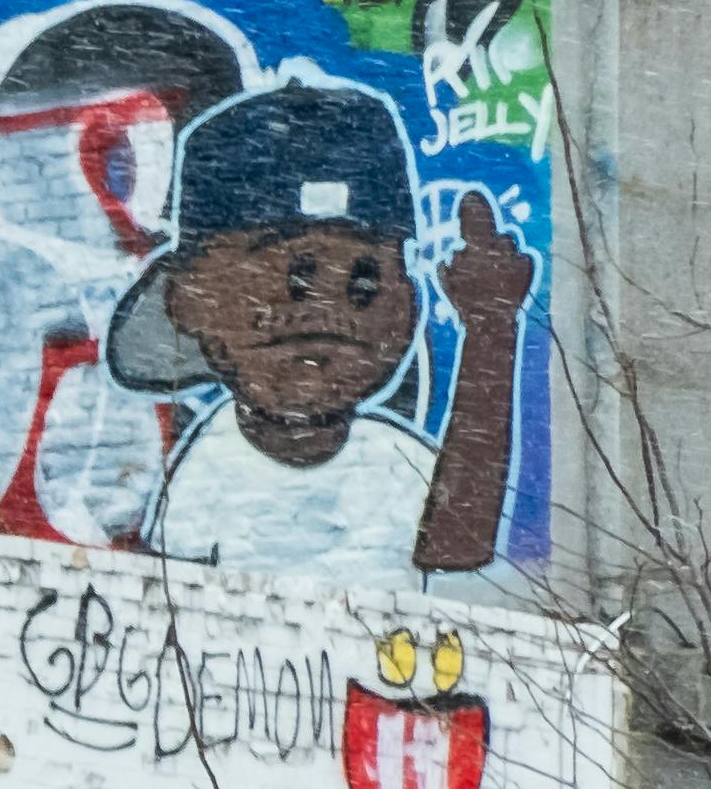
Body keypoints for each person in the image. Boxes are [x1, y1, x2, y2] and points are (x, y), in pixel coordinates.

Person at [111, 69, 534, 592]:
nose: (324, 314)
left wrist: (490, 332)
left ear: (403, 301)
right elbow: (184, 611)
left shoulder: (391, 458)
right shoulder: (214, 465)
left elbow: (458, 543)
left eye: (363, 285)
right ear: (191, 301)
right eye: (291, 279)